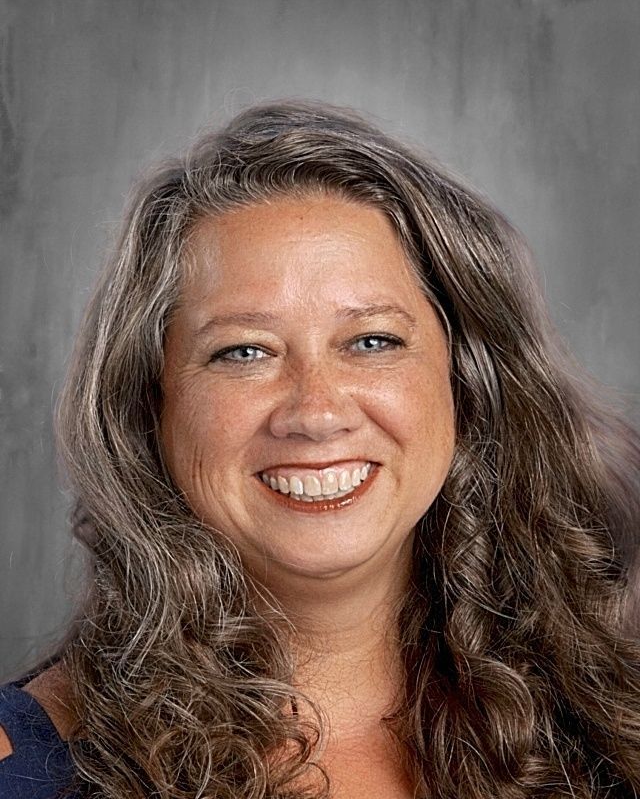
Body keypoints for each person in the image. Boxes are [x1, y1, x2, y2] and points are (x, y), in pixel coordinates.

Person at [1, 101, 639, 799]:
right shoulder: (21, 770)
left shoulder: (615, 730)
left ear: (465, 383)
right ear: (151, 406)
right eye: (243, 351)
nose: (316, 412)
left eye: (372, 341)